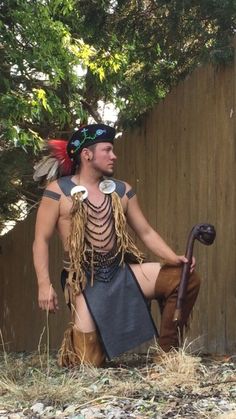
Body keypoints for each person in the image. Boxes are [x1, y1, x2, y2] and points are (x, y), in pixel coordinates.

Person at [33, 123, 200, 368]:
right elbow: (41, 241)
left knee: (184, 277)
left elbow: (145, 231)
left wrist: (174, 258)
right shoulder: (57, 192)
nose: (114, 156)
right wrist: (43, 284)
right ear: (87, 154)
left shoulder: (122, 191)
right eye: (107, 150)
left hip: (120, 271)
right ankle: (86, 344)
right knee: (88, 363)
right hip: (83, 280)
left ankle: (168, 354)